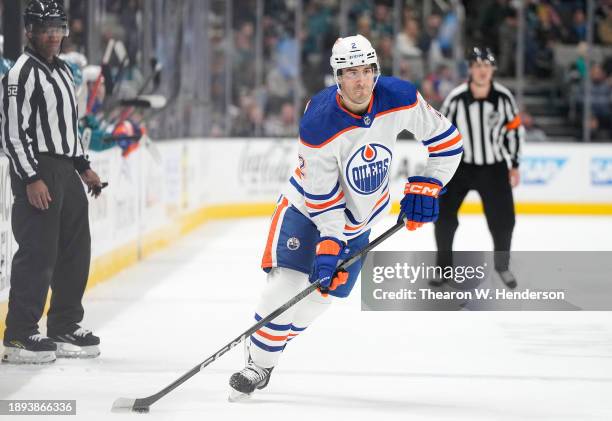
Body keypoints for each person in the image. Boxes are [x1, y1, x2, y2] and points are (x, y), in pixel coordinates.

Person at [228, 34, 463, 400]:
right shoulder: (319, 120)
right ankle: (257, 365)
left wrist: (431, 184)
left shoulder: (399, 97)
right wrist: (328, 243)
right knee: (286, 286)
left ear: (376, 71)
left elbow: (447, 141)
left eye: (366, 70)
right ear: (337, 76)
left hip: (362, 220)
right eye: (350, 72)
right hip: (307, 209)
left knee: (320, 298)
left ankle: (269, 345)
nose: (360, 80)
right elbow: (321, 195)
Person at [1, 0, 104, 364]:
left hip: (65, 167)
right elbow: (13, 133)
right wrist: (31, 178)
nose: (53, 35)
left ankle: (63, 324)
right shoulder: (20, 73)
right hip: (38, 169)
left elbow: (68, 127)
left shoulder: (62, 72)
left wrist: (83, 165)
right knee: (38, 251)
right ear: (29, 30)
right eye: (45, 28)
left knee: (76, 247)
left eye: (58, 28)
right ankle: (18, 333)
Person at [433, 47, 524, 289]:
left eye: (487, 65)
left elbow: (514, 132)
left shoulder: (504, 98)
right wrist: (441, 166)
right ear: (470, 69)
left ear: (492, 69)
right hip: (460, 167)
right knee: (443, 218)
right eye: (477, 65)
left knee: (504, 221)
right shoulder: (456, 99)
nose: (482, 70)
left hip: (493, 167)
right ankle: (443, 269)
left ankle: (502, 266)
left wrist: (514, 164)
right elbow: (441, 133)